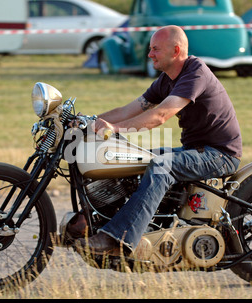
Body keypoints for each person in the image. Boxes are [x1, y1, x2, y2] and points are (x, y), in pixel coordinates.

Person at [75, 25, 242, 257]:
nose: (149, 54)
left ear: (175, 50)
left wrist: (113, 129)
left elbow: (160, 115)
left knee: (161, 165)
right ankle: (97, 220)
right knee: (130, 158)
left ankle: (118, 238)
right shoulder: (166, 79)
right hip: (195, 149)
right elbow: (128, 110)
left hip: (220, 154)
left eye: (155, 49)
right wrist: (89, 122)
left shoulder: (195, 73)